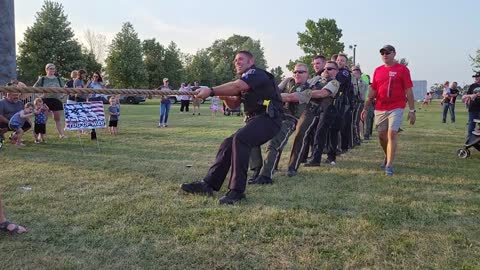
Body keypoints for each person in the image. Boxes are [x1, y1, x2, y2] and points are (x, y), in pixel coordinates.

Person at [180, 51, 283, 204]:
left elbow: (237, 86)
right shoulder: (245, 79)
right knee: (228, 143)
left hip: (270, 119)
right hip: (255, 120)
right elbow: (234, 104)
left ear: (251, 61)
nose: (237, 62)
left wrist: (211, 90)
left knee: (240, 139)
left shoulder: (257, 73)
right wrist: (223, 97)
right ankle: (208, 184)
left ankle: (237, 192)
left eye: (241, 59)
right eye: (235, 60)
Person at [249, 63, 312, 184]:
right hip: (274, 117)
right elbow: (272, 90)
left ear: (307, 74)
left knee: (273, 145)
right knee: (250, 136)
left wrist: (270, 96)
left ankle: (265, 176)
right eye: (295, 72)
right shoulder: (289, 83)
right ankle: (257, 169)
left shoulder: (309, 89)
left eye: (301, 72)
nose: (297, 74)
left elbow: (290, 97)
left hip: (289, 119)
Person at [361, 45, 416, 176]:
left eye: (387, 52)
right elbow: (373, 90)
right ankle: (387, 155)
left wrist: (412, 110)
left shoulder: (402, 69)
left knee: (392, 134)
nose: (385, 55)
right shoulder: (378, 70)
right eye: (382, 53)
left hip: (396, 106)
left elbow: (408, 90)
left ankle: (389, 165)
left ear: (394, 54)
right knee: (381, 136)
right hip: (380, 107)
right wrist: (365, 107)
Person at [32, 63, 66, 138]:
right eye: (50, 68)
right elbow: (34, 88)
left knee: (57, 119)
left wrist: (62, 95)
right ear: (46, 70)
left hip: (56, 100)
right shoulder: (43, 78)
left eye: (53, 68)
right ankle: (40, 136)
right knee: (44, 119)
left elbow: (65, 88)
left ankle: (62, 134)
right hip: (45, 100)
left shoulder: (58, 79)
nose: (52, 70)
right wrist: (40, 96)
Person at [351, 66, 368, 145]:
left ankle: (356, 138)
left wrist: (357, 82)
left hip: (359, 103)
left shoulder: (362, 83)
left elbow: (361, 94)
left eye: (356, 73)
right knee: (353, 121)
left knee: (356, 121)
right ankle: (354, 138)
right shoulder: (352, 82)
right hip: (352, 102)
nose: (354, 75)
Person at [463, 73, 480, 138]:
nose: (476, 78)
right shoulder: (472, 86)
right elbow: (468, 96)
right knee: (471, 124)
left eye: (477, 76)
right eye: (475, 77)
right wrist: (467, 101)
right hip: (473, 108)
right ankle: (469, 140)